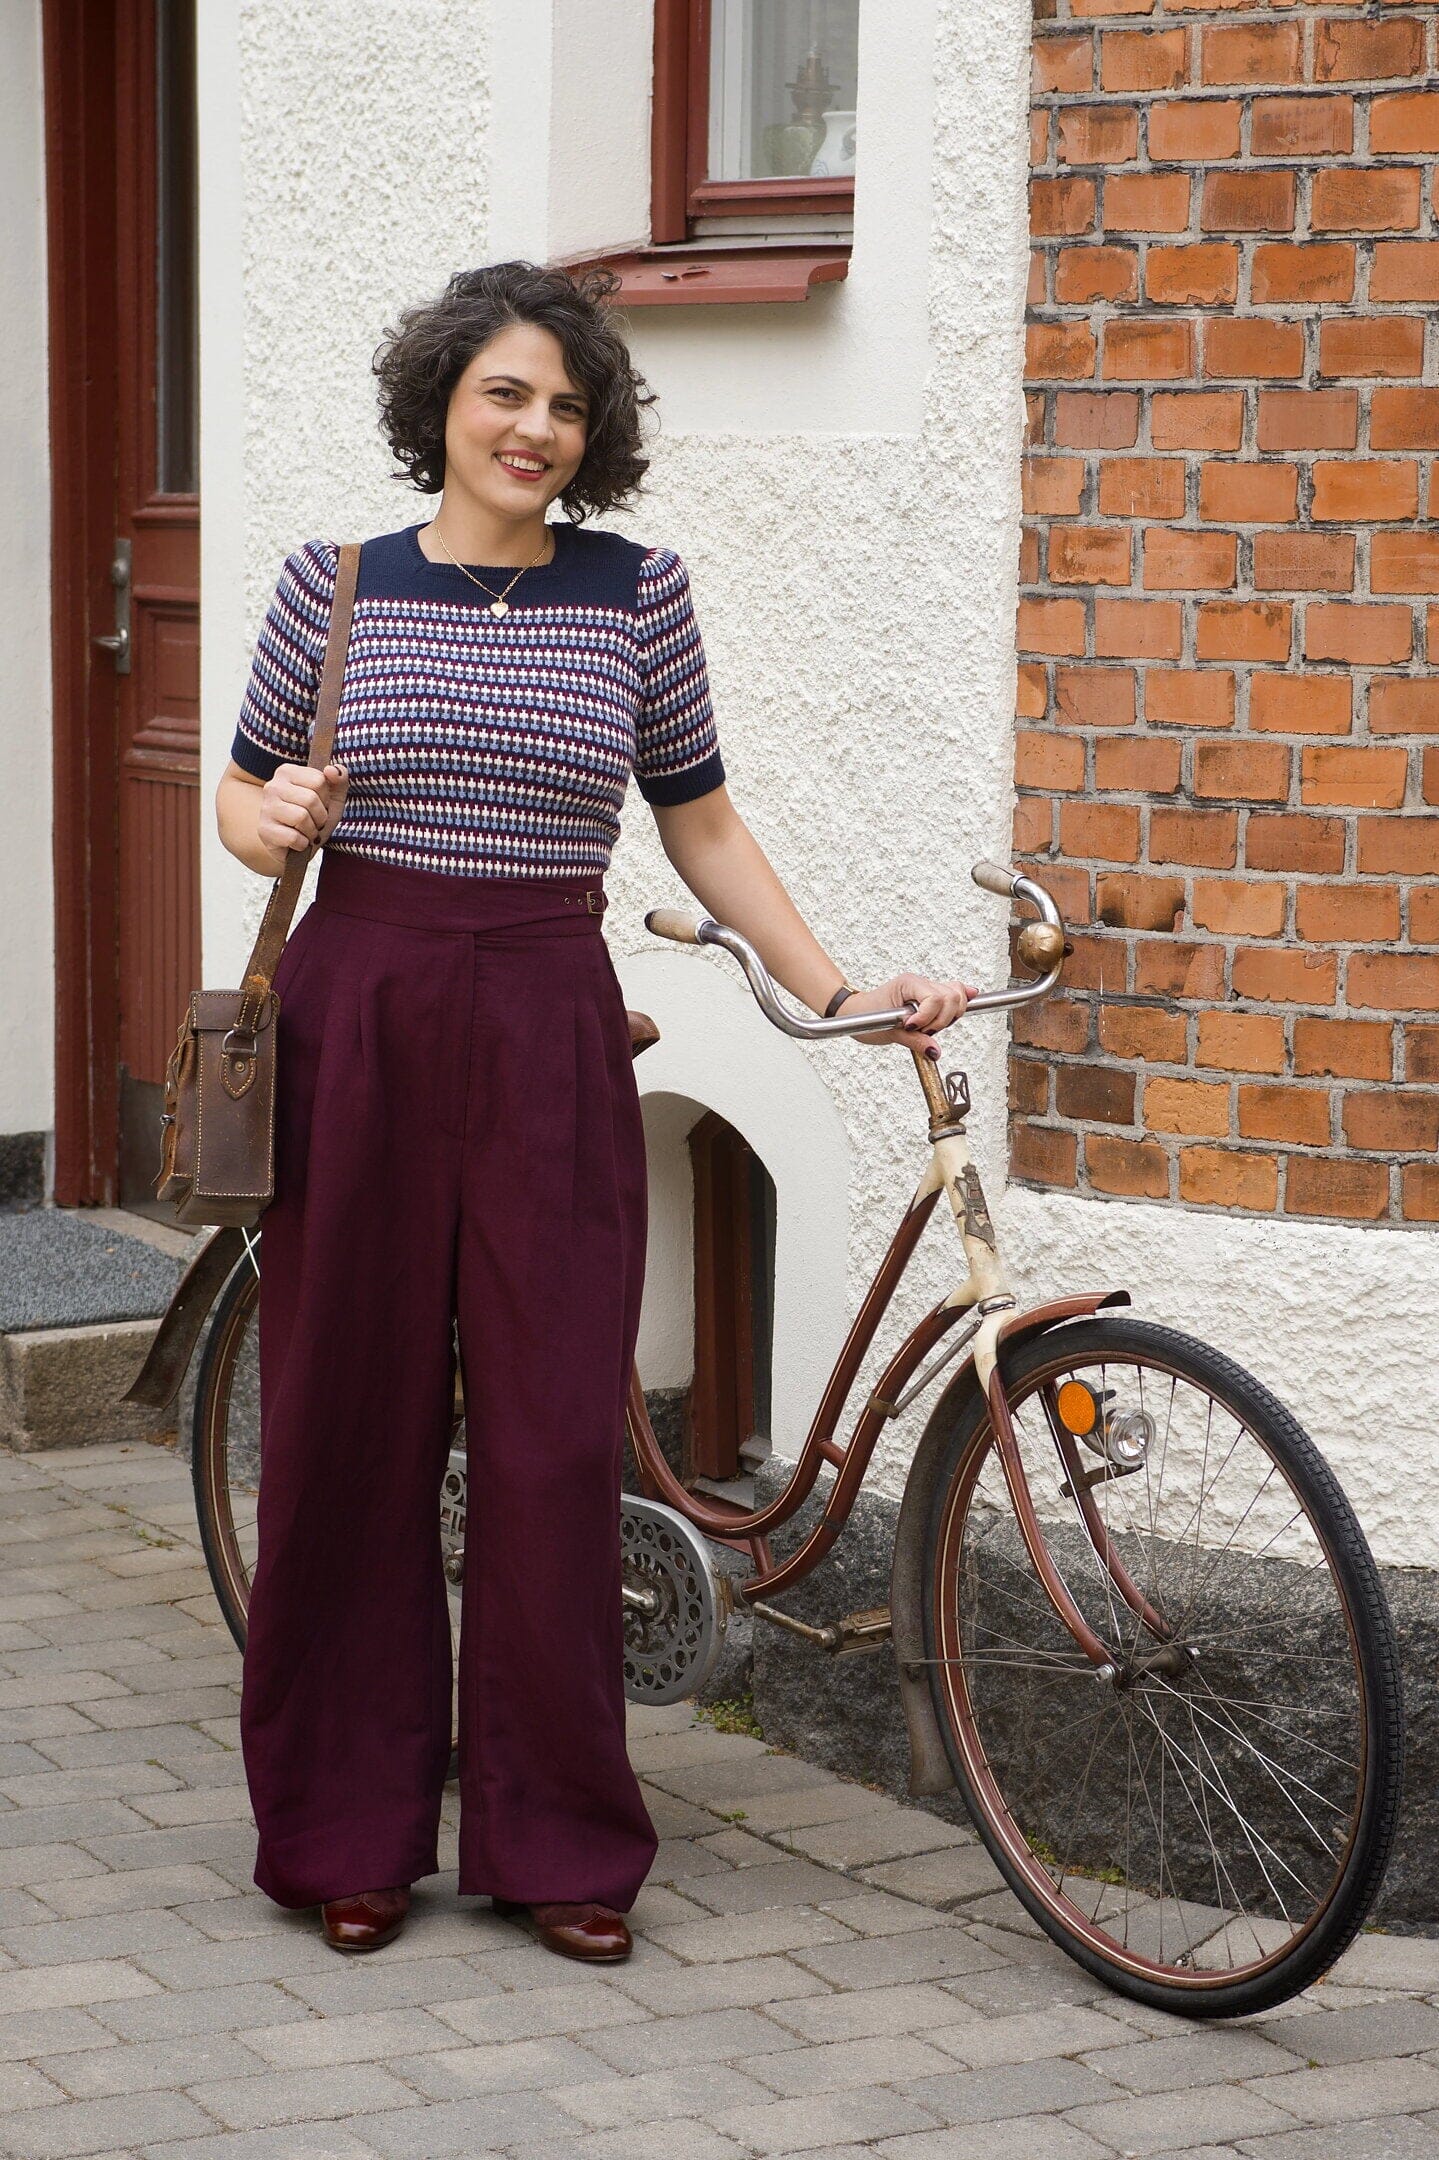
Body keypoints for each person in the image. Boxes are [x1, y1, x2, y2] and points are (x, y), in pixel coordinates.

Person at [214, 259, 977, 1962]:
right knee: (353, 1426)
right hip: (365, 1009)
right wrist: (270, 823)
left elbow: (701, 824)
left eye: (567, 405)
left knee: (557, 1439)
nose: (537, 429)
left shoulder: (638, 594)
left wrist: (835, 985)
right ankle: (344, 1827)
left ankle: (556, 1843)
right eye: (506, 394)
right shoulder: (331, 587)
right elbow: (244, 798)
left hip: (551, 1019)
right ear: (442, 405)